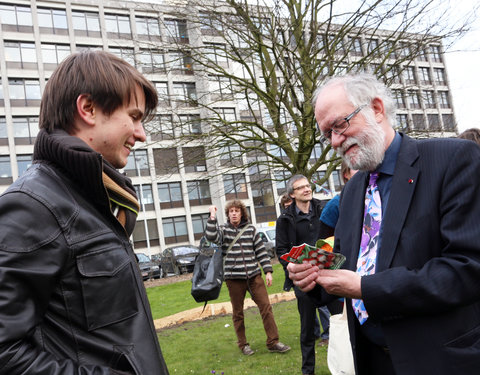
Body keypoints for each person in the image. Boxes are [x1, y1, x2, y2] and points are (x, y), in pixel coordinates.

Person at [288, 73, 480, 375]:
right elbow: (344, 270)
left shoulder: (453, 159)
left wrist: (366, 287)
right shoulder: (351, 192)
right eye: (328, 134)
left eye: (340, 125)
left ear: (376, 109)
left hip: (439, 360)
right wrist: (312, 279)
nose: (336, 141)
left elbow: (466, 269)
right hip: (372, 360)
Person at [0, 51, 169, 374]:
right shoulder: (32, 207)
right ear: (88, 109)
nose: (141, 134)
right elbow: (5, 354)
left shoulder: (95, 200)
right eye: (133, 117)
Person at [206, 200, 291, 356]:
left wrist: (268, 271)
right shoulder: (223, 230)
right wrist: (212, 215)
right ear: (227, 214)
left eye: (236, 211)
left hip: (254, 276)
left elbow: (260, 251)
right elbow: (211, 236)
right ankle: (243, 344)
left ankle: (273, 342)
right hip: (233, 278)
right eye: (231, 211)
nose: (233, 213)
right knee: (238, 313)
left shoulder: (251, 229)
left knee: (266, 307)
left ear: (242, 213)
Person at [276, 175, 331, 375]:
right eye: (301, 188)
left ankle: (348, 364)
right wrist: (293, 266)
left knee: (342, 322)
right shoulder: (284, 219)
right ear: (292, 194)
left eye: (308, 186)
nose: (307, 189)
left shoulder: (323, 209)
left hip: (327, 274)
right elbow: (281, 250)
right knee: (307, 330)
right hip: (303, 279)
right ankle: (308, 371)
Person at [319, 160, 357, 239]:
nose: (362, 171)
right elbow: (325, 243)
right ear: (346, 174)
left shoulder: (376, 197)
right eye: (356, 167)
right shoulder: (334, 205)